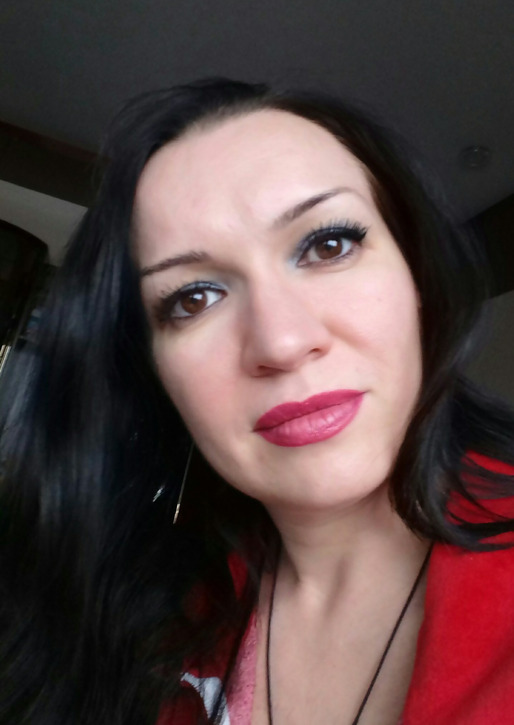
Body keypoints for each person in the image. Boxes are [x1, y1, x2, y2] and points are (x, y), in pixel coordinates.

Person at [1, 78, 514, 725]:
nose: (282, 341)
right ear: (153, 373)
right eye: (194, 298)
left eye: (328, 244)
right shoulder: (119, 619)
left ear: (418, 279)